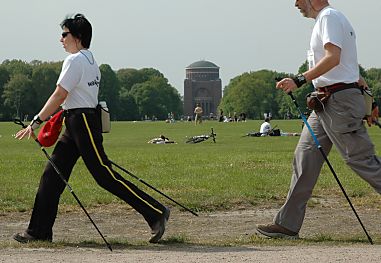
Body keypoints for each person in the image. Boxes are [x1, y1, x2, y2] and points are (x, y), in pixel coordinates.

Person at [13, 14, 169, 244]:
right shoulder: (91, 60)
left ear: (78, 37)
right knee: (52, 176)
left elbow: (60, 94)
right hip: (76, 122)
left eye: (64, 34)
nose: (61, 39)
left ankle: (156, 213)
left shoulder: (75, 61)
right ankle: (38, 232)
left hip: (82, 121)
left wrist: (36, 121)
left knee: (104, 175)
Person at [256, 0, 381, 239]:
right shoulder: (328, 19)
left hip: (339, 102)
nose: (296, 4)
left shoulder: (329, 17)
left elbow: (334, 57)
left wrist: (300, 80)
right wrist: (365, 93)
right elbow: (346, 64)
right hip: (326, 101)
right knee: (305, 158)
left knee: (361, 160)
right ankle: (287, 224)